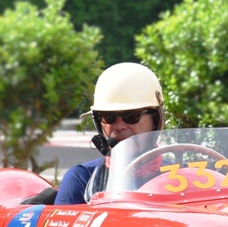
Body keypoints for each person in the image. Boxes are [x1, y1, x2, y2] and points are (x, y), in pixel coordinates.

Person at [55, 62, 166, 205]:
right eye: (109, 116)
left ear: (155, 120)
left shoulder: (182, 177)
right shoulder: (82, 179)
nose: (119, 126)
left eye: (131, 116)